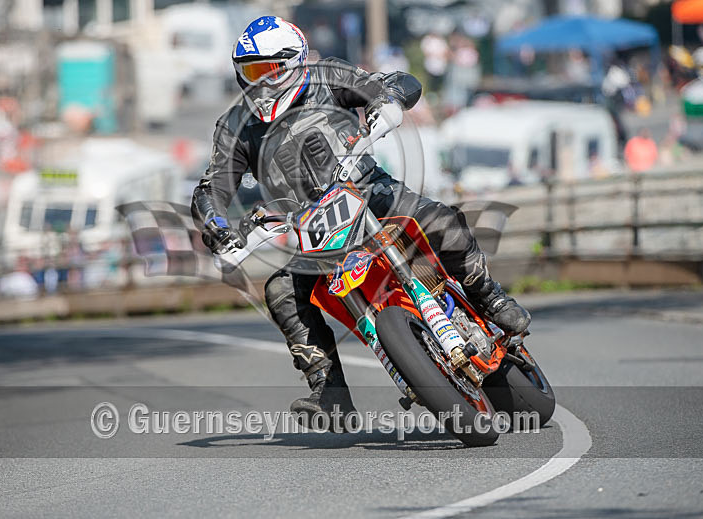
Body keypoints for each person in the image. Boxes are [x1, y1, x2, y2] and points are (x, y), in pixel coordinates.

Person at [191, 16, 531, 421]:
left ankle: (490, 298)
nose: (260, 82)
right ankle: (328, 390)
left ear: (294, 61)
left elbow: (395, 83)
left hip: (370, 190)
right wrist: (216, 224)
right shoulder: (235, 126)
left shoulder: (328, 79)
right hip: (310, 226)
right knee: (281, 291)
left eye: (268, 70)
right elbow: (210, 187)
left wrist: (387, 101)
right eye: (250, 72)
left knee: (440, 219)